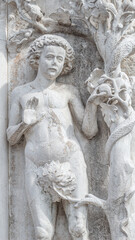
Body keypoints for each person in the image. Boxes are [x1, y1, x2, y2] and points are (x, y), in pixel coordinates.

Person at [7, 35, 96, 240]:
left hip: (70, 162)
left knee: (78, 228)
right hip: (36, 165)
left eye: (59, 59)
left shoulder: (68, 92)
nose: (54, 63)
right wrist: (25, 124)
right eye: (50, 57)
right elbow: (11, 137)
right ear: (38, 58)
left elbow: (89, 131)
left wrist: (93, 103)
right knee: (42, 233)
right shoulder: (21, 93)